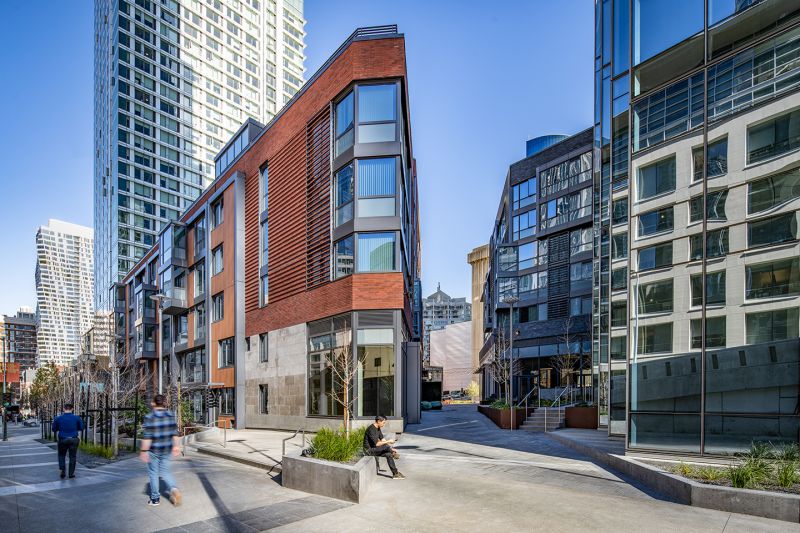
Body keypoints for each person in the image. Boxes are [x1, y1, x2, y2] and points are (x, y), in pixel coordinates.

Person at [140, 394, 182, 507]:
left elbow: (147, 437)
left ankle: (155, 499)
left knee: (153, 474)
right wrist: (176, 446)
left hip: (154, 450)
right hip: (167, 449)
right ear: (164, 403)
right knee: (166, 472)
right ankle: (174, 489)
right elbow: (175, 433)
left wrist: (143, 451)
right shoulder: (170, 415)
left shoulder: (149, 417)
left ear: (153, 403)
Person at [363, 415, 404, 479]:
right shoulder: (371, 429)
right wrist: (388, 442)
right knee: (386, 446)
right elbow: (377, 444)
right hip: (368, 450)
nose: (384, 424)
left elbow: (382, 439)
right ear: (378, 421)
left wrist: (390, 448)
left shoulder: (378, 428)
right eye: (383, 422)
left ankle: (395, 473)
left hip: (375, 449)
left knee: (388, 454)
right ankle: (393, 453)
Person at [51, 403, 84, 479]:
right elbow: (82, 428)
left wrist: (61, 428)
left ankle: (62, 470)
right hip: (74, 439)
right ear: (72, 409)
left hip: (63, 439)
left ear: (63, 409)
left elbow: (54, 429)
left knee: (61, 455)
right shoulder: (77, 418)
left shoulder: (58, 418)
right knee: (73, 456)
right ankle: (71, 474)